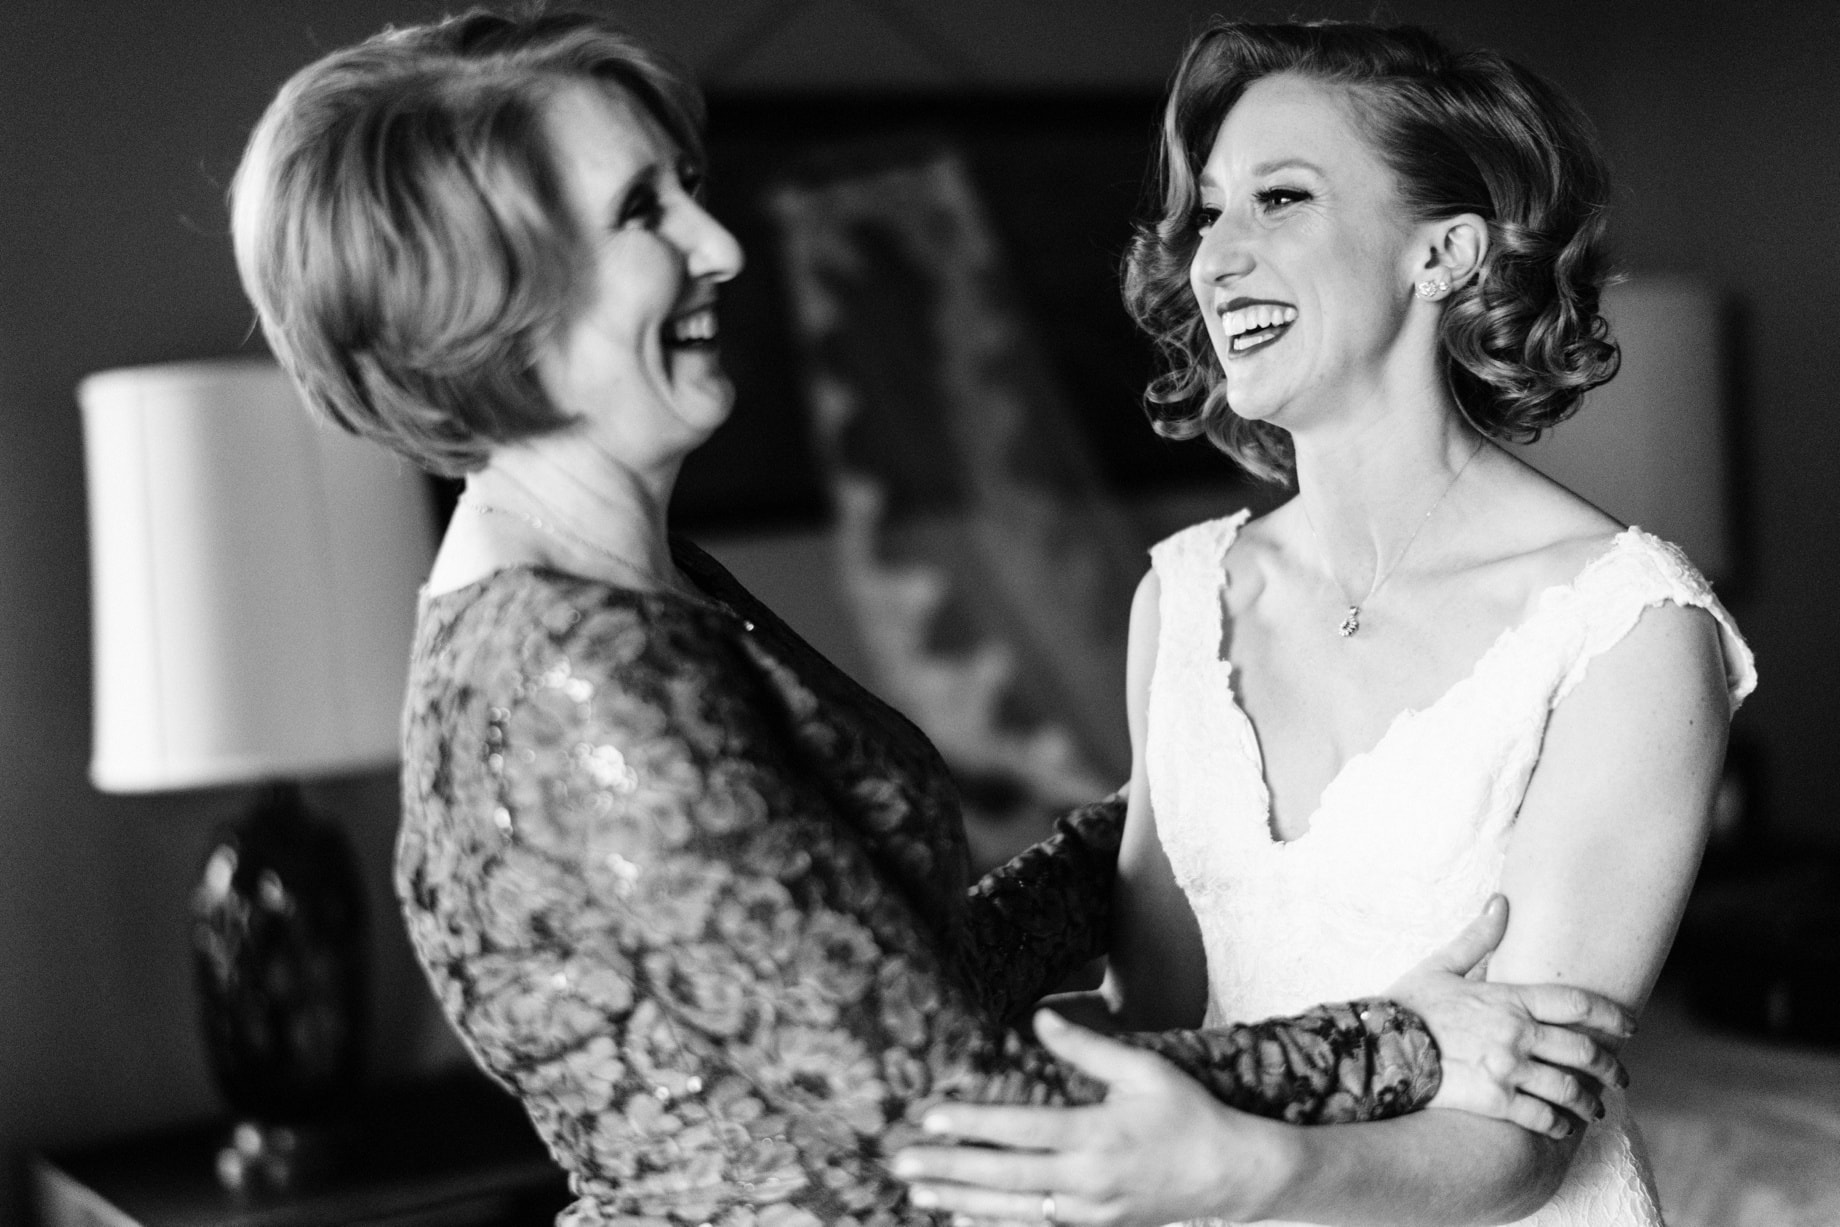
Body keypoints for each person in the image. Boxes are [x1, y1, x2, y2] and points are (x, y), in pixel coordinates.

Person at [229, 10, 1641, 1226]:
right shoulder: (575, 673)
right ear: (484, 292)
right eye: (643, 212)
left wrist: (1161, 810)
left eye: (692, 188)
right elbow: (964, 1102)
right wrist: (1401, 1040)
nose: (721, 243)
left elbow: (875, 982)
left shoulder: (649, 586)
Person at [893, 19, 1757, 1227]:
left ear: (1444, 252)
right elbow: (1164, 1025)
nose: (1214, 259)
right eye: (1207, 214)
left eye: (1280, 200)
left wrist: (1248, 1172)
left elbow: (1519, 1142)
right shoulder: (1185, 599)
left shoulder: (1623, 624)